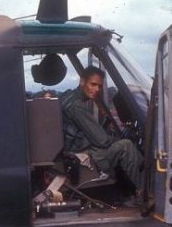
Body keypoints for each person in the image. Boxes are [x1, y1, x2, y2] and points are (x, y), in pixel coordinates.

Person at [61, 66, 143, 196]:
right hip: (79, 153)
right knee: (126, 146)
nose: (96, 90)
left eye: (99, 86)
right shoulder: (78, 106)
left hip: (72, 148)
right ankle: (143, 191)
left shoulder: (68, 96)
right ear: (82, 81)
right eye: (93, 84)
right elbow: (102, 141)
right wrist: (118, 139)